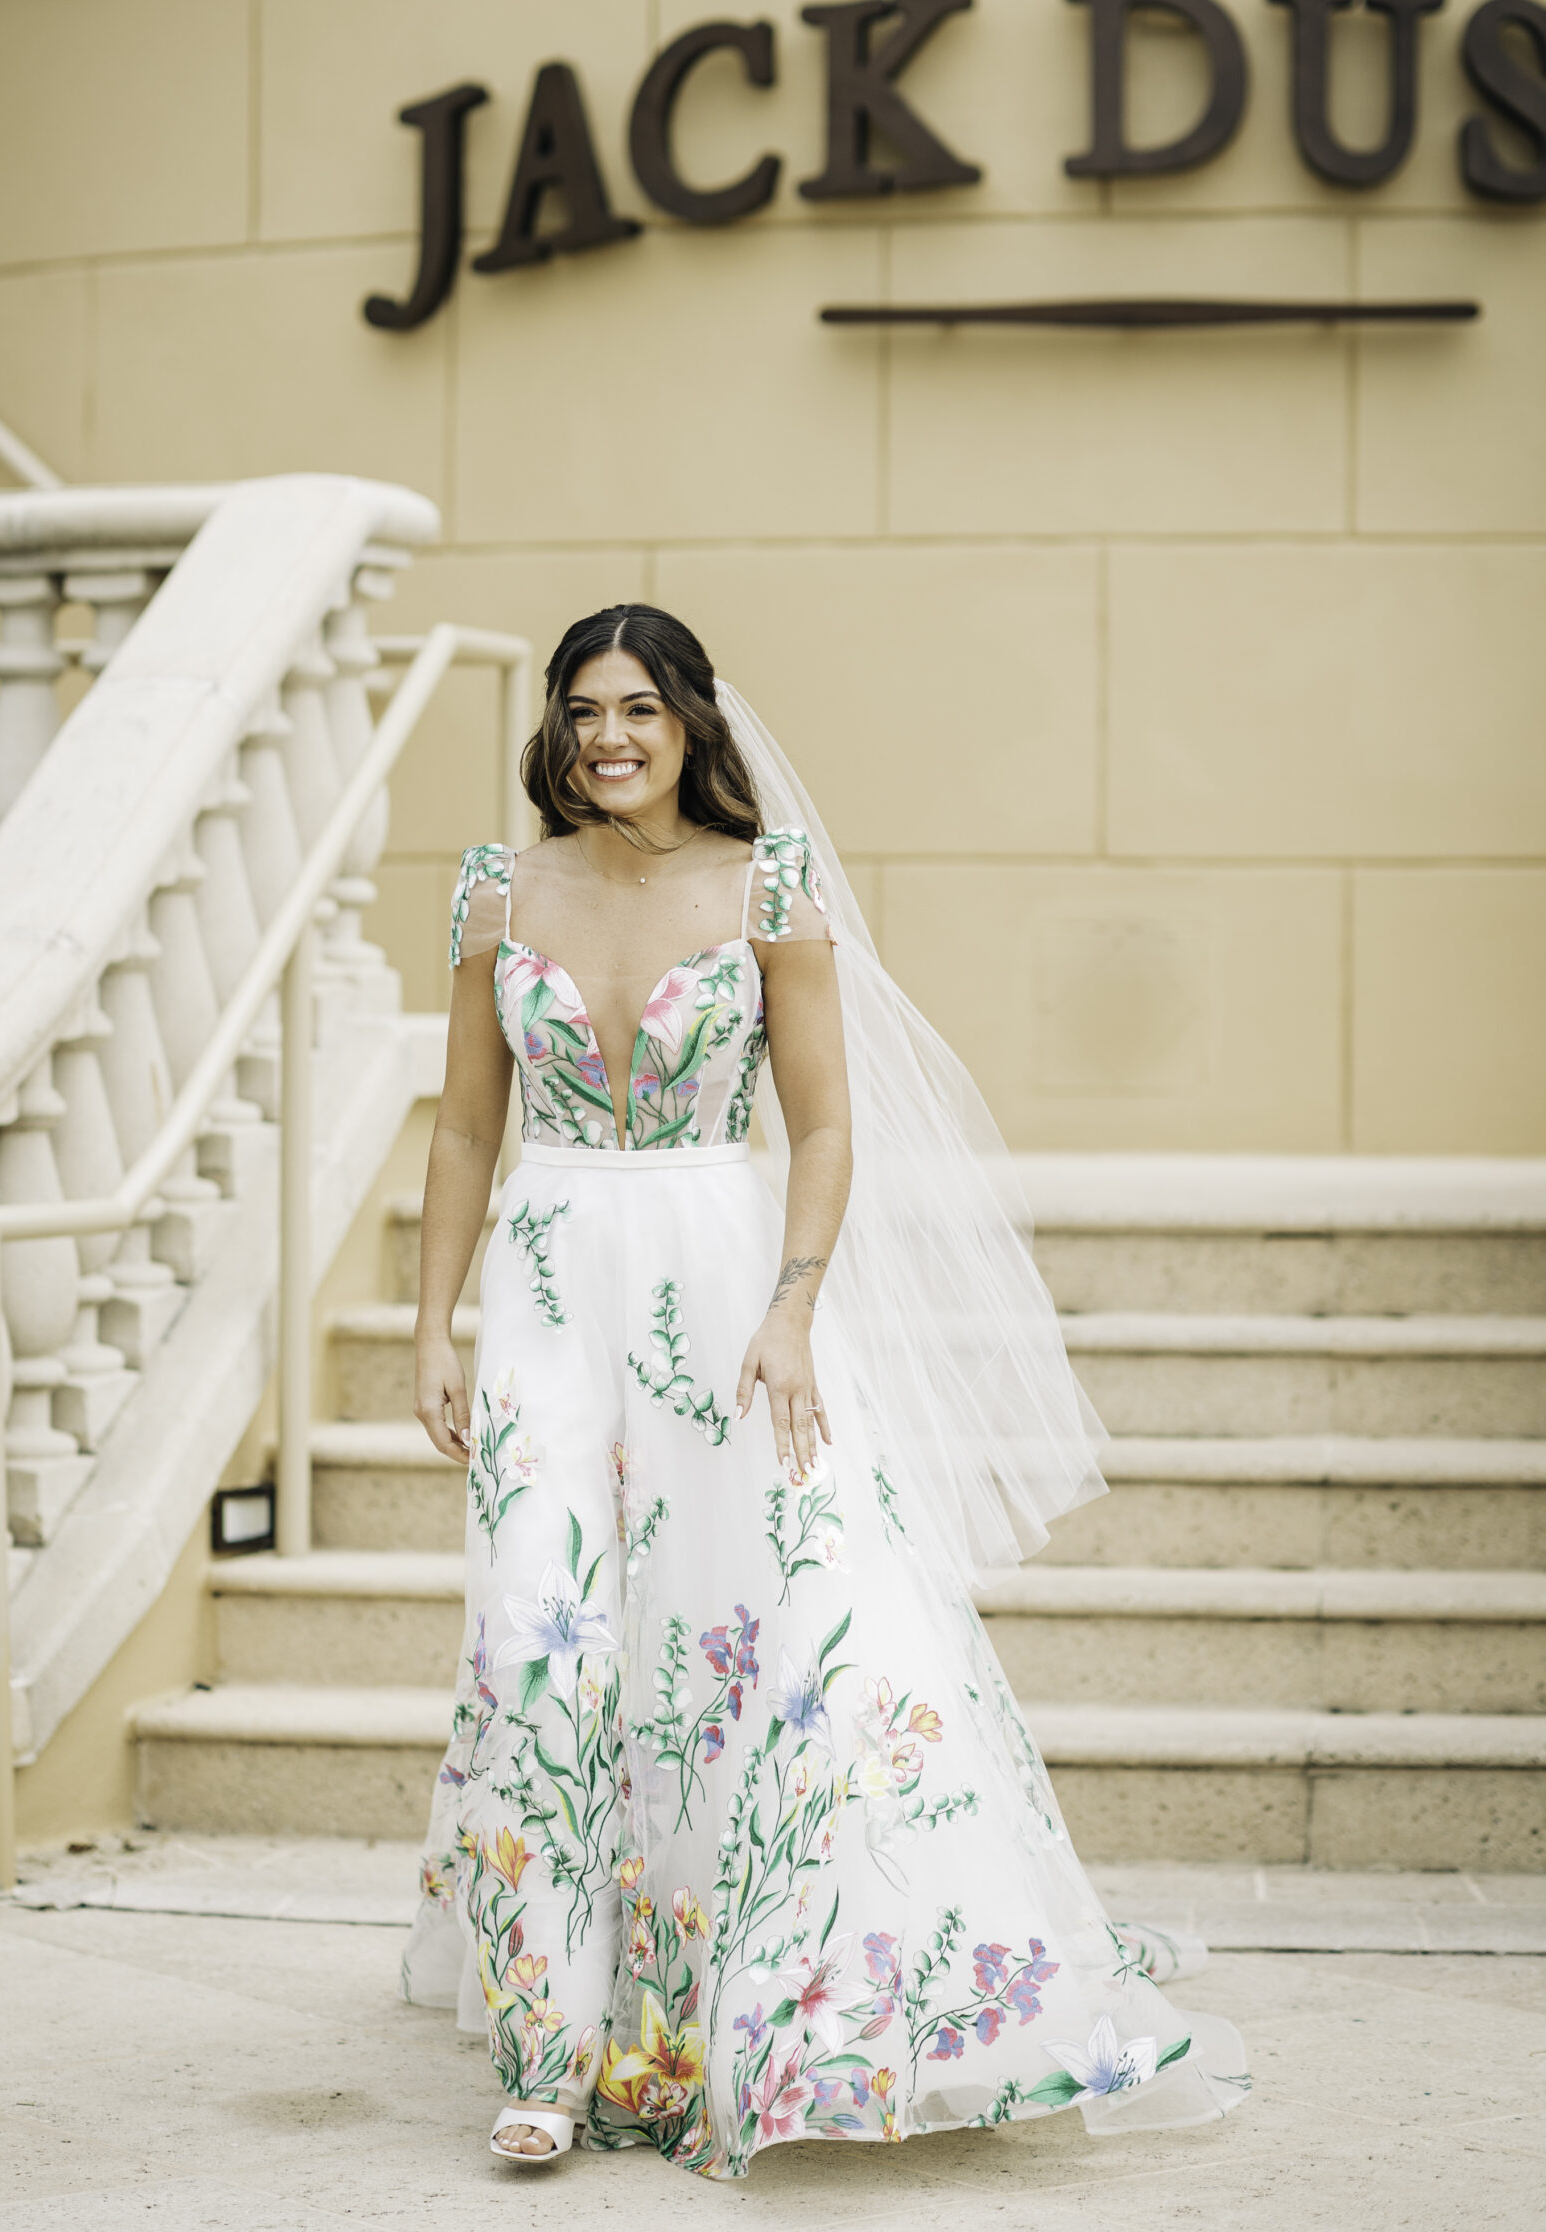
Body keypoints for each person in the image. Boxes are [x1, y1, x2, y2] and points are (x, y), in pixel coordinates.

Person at [404, 604, 1248, 2174]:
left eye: (640, 710)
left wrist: (795, 1307)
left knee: (750, 1637)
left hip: (727, 1288)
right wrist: (431, 1320)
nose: (609, 738)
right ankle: (548, 2053)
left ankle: (740, 1996)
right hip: (546, 1290)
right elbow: (462, 1130)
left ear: (693, 725)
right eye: (584, 709)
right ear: (553, 726)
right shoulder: (493, 893)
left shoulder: (769, 887)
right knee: (542, 1645)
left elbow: (829, 1127)